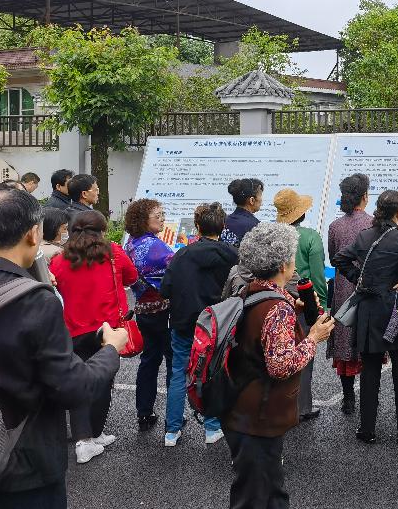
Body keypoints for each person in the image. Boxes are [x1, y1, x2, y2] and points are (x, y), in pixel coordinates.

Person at [0, 189, 127, 509]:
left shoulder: (42, 280)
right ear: (33, 234)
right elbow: (72, 387)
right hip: (23, 463)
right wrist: (111, 350)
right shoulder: (34, 301)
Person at [223, 222, 335, 509]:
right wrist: (313, 338)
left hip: (240, 407)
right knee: (258, 496)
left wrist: (294, 308)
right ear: (284, 265)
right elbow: (281, 366)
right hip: (259, 416)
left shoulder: (249, 290)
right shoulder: (276, 309)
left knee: (265, 491)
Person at [332, 190, 398, 444]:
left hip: (369, 309)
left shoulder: (365, 235)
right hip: (396, 309)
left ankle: (367, 429)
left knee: (370, 371)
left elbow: (340, 258)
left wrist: (358, 278)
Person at [49, 210, 137, 465]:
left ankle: (83, 440)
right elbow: (132, 276)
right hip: (106, 329)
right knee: (102, 381)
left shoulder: (60, 259)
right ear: (102, 230)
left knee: (78, 382)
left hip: (72, 329)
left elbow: (55, 286)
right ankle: (94, 435)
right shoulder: (113, 253)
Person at [160, 203, 239, 447]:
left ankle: (172, 431)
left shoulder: (182, 255)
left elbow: (165, 288)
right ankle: (212, 427)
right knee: (212, 372)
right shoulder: (232, 255)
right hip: (216, 324)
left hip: (183, 322)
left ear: (197, 226)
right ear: (223, 226)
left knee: (178, 374)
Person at [274, 187, 326, 421]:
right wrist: (322, 307)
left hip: (277, 299)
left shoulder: (273, 236)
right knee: (304, 354)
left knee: (279, 353)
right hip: (304, 301)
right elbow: (318, 275)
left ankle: (279, 403)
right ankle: (301, 407)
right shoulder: (310, 237)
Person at [123, 199, 175, 433]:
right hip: (164, 311)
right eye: (158, 215)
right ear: (143, 219)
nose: (163, 219)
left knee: (149, 361)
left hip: (143, 310)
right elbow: (176, 271)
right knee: (173, 363)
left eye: (163, 214)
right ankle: (174, 416)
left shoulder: (131, 244)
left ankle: (144, 412)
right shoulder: (156, 247)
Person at [326, 173, 373, 415]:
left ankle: (348, 398)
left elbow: (334, 257)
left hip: (344, 289)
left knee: (345, 344)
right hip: (369, 289)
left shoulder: (335, 226)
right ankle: (368, 397)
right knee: (368, 343)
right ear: (365, 196)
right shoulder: (373, 224)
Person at [32, 208, 69, 288]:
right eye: (65, 228)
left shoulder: (34, 245)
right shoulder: (57, 252)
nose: (66, 232)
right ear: (54, 229)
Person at [223, 178, 264, 247]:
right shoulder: (256, 227)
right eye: (260, 195)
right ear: (252, 200)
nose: (261, 200)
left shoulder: (223, 221)